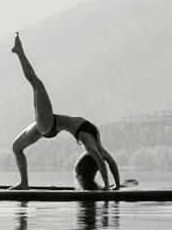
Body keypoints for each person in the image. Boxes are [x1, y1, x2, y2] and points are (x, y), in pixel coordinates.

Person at [9, 34, 123, 190]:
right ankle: (24, 184)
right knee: (16, 148)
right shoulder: (98, 146)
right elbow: (110, 162)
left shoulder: (89, 142)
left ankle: (20, 52)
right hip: (49, 124)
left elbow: (101, 162)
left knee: (37, 84)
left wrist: (107, 188)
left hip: (49, 124)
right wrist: (115, 185)